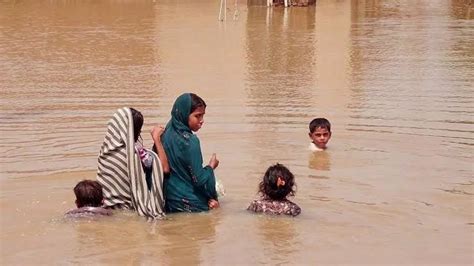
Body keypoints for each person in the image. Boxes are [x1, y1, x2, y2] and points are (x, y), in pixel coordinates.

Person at [96, 107, 168, 219]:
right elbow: (163, 169)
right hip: (130, 211)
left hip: (106, 209)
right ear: (136, 131)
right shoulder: (137, 155)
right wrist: (156, 140)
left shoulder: (104, 152)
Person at [160, 93, 220, 212]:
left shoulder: (165, 134)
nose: (202, 121)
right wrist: (211, 166)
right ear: (184, 114)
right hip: (192, 205)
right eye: (197, 116)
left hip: (168, 201)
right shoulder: (191, 141)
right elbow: (199, 180)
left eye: (202, 116)